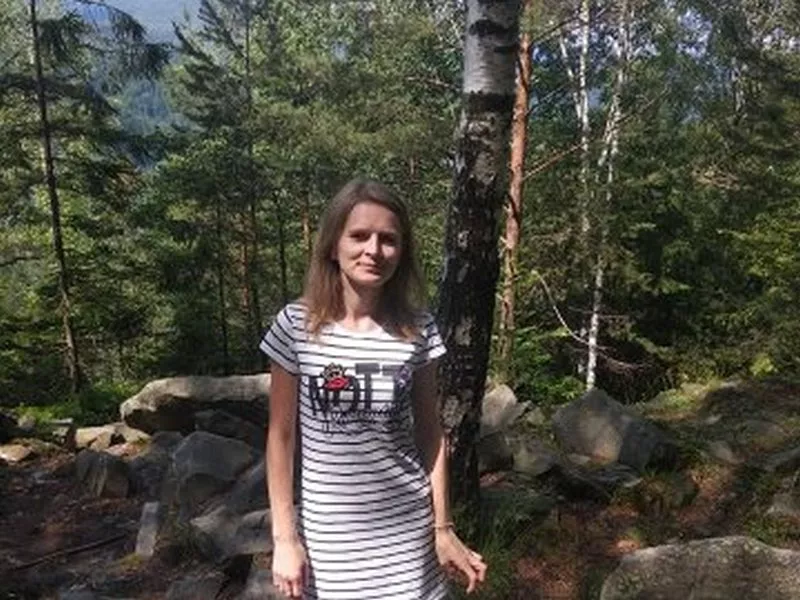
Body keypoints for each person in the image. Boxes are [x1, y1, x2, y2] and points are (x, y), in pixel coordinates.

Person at [260, 178, 487, 599]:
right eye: (360, 235)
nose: (374, 250)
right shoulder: (295, 325)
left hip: (408, 536)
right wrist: (285, 539)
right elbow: (281, 437)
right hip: (330, 543)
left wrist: (443, 528)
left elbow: (430, 433)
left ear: (402, 252)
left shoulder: (418, 328)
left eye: (388, 239)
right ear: (333, 245)